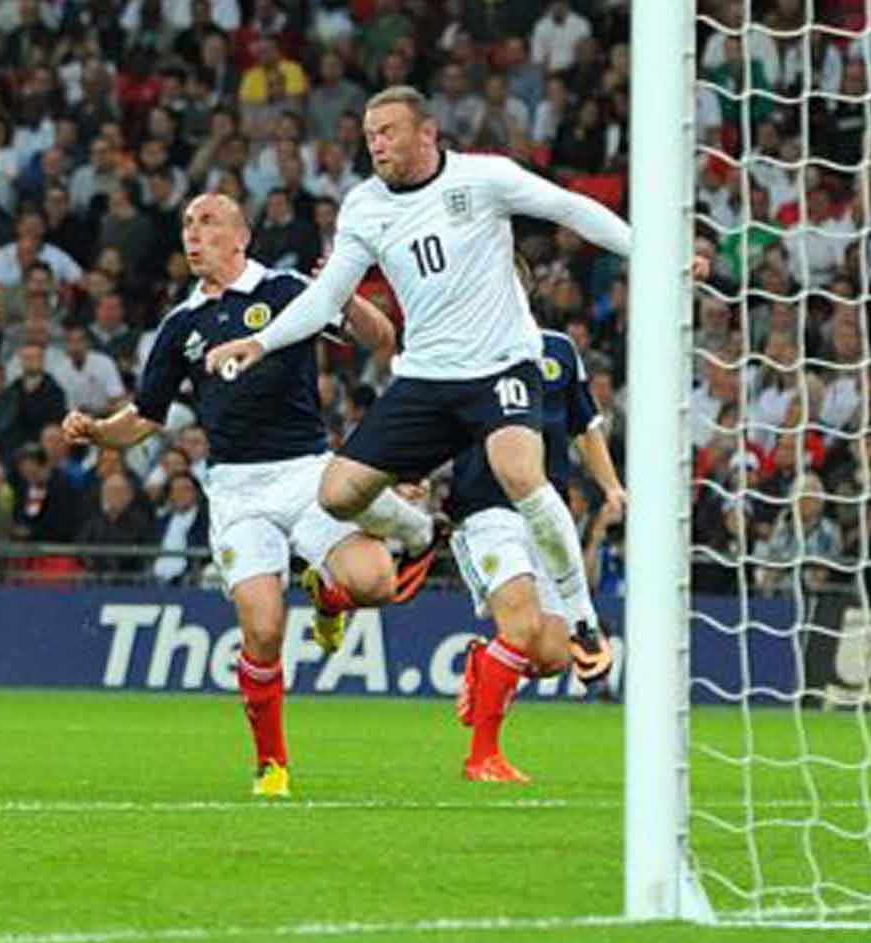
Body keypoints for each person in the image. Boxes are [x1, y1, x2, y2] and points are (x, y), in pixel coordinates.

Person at [204, 86, 706, 685]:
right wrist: (260, 343)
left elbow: (568, 208)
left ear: (427, 133)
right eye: (369, 136)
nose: (377, 145)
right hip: (427, 378)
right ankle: (418, 536)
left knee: (521, 472)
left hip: (500, 364)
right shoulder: (364, 207)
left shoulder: (484, 179)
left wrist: (653, 252)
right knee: (337, 494)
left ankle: (580, 617)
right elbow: (327, 298)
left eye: (388, 132)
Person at [66, 192, 434, 799]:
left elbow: (381, 338)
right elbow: (145, 418)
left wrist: (343, 293)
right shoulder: (181, 326)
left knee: (376, 584)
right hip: (238, 490)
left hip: (307, 473)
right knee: (263, 629)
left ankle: (331, 598)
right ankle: (272, 766)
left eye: (207, 222)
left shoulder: (287, 290)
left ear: (239, 237)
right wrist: (98, 432)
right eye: (186, 223)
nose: (193, 234)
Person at [447, 267, 625, 783]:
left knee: (549, 655)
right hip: (486, 508)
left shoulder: (557, 351)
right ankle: (483, 757)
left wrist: (611, 487)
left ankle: (484, 666)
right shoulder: (457, 346)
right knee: (522, 629)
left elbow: (585, 428)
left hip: (545, 515)